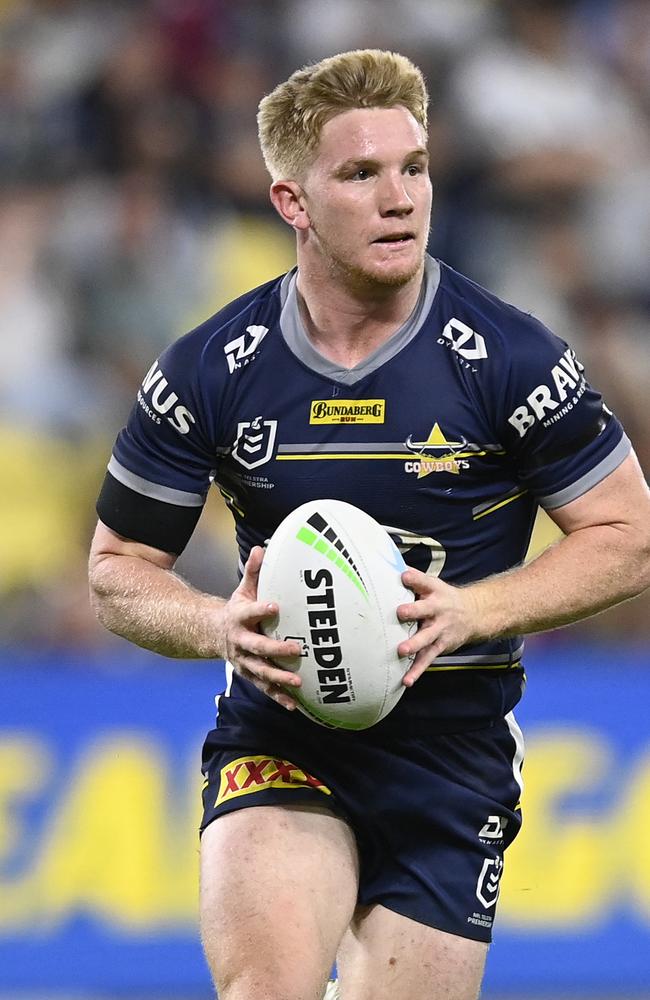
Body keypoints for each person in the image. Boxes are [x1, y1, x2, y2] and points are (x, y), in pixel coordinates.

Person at [88, 49, 650, 1000]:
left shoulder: (507, 356)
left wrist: (471, 612)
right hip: (283, 736)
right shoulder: (212, 369)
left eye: (414, 167)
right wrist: (213, 625)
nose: (400, 198)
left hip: (451, 753)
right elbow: (117, 568)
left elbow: (628, 535)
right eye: (360, 173)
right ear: (291, 203)